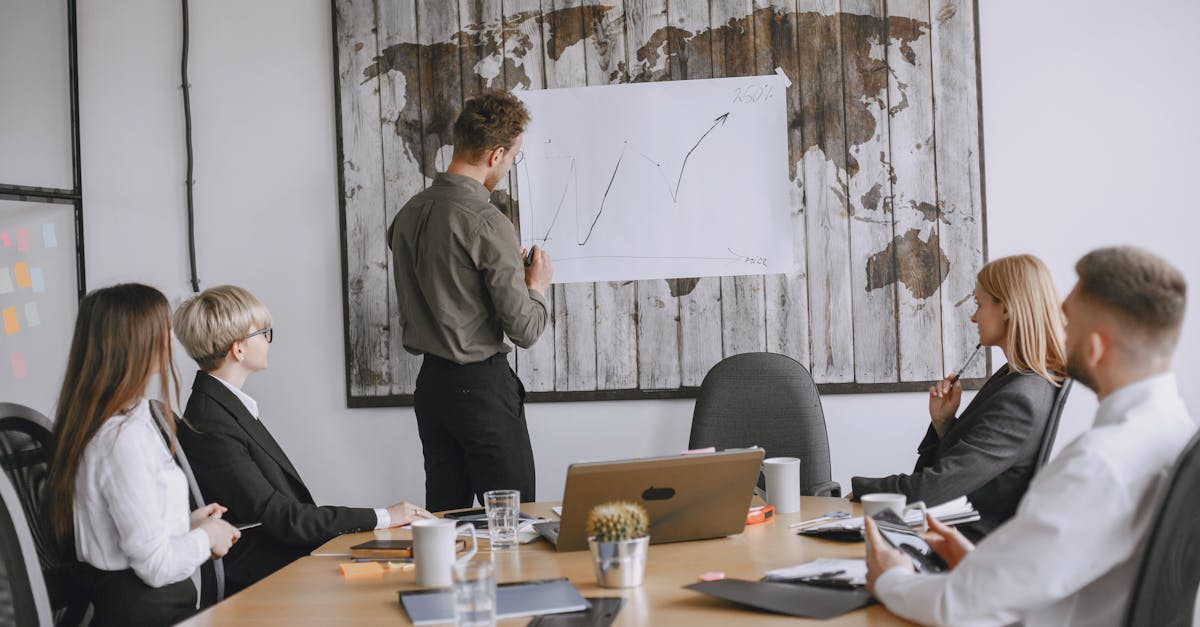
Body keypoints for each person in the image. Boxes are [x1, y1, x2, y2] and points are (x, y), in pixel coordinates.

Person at [864, 246, 1194, 626]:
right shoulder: (1174, 435)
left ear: (1096, 347)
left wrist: (890, 577)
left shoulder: (1098, 465)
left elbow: (961, 606)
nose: (1055, 329)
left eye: (1066, 321)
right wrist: (981, 564)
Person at [172, 285, 435, 594]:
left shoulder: (222, 408)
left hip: (282, 561)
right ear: (239, 349)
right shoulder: (211, 421)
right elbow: (279, 516)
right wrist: (384, 516)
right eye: (264, 332)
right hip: (266, 578)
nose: (269, 341)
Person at [388, 90, 553, 512]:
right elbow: (526, 329)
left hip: (432, 390)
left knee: (447, 524)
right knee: (513, 523)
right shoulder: (486, 221)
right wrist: (535, 285)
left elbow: (449, 287)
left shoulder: (408, 214)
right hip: (480, 390)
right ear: (496, 153)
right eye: (513, 156)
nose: (510, 166)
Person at [44, 283, 241, 626]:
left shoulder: (130, 421)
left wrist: (186, 524)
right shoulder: (120, 439)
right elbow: (155, 566)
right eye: (163, 330)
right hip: (145, 614)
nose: (170, 341)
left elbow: (128, 531)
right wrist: (208, 537)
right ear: (133, 343)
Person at [851, 254, 1067, 538]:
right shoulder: (1015, 380)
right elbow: (959, 469)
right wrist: (943, 423)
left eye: (980, 303)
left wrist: (857, 489)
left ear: (1007, 309)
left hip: (965, 545)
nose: (974, 316)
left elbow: (933, 489)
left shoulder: (1021, 399)